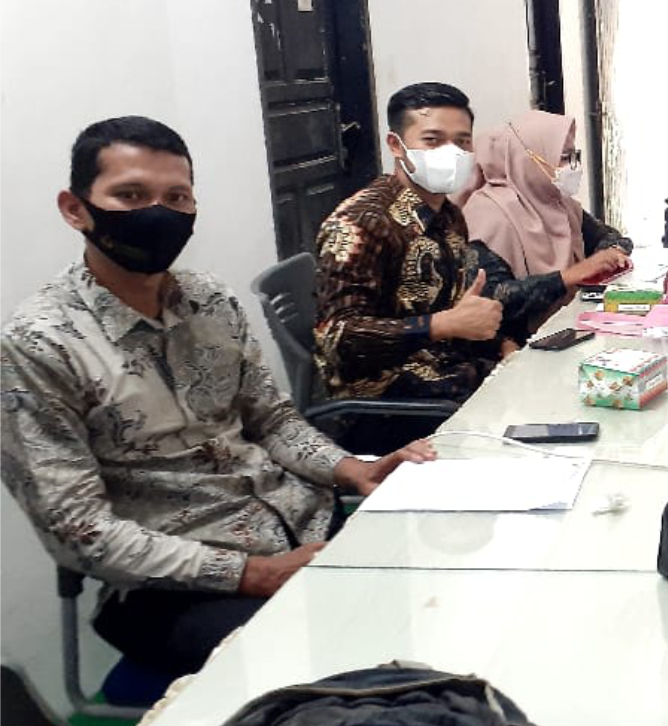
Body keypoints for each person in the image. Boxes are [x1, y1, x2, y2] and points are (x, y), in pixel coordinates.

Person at [0, 117, 434, 678]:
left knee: (441, 595)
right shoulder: (39, 344)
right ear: (75, 208)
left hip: (302, 526)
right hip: (179, 586)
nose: (157, 214)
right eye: (130, 195)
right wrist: (254, 574)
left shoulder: (210, 300)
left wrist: (353, 470)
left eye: (176, 198)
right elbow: (79, 532)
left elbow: (272, 421)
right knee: (348, 670)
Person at [314, 82, 505, 404]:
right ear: (396, 145)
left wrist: (500, 345)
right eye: (433, 140)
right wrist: (440, 325)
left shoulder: (449, 216)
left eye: (462, 141)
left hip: (448, 367)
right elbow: (339, 337)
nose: (451, 153)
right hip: (386, 397)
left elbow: (453, 310)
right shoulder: (363, 222)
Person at [457, 111, 633, 345]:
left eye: (574, 156)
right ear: (526, 159)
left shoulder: (560, 204)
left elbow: (611, 237)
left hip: (566, 330)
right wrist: (569, 276)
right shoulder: (487, 212)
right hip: (511, 346)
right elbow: (493, 297)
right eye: (563, 157)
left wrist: (611, 254)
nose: (573, 166)